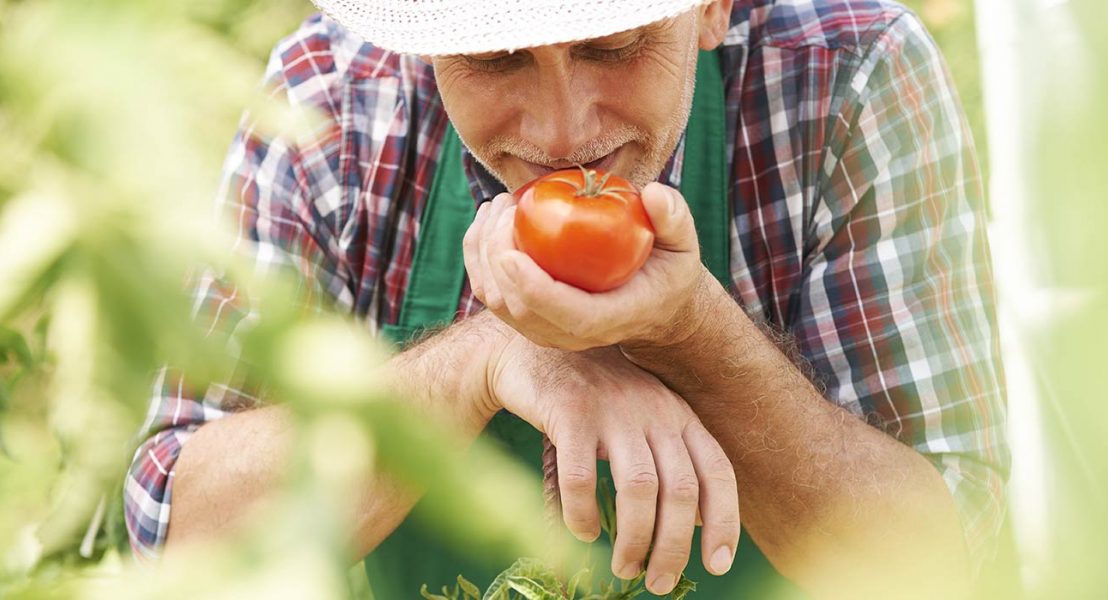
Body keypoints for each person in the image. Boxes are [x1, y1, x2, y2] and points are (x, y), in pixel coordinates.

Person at [123, 0, 1009, 597]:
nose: (564, 134)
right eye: (495, 59)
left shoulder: (844, 76)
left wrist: (690, 331)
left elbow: (949, 562)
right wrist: (488, 358)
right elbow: (178, 534)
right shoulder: (332, 99)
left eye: (615, 46)